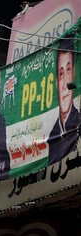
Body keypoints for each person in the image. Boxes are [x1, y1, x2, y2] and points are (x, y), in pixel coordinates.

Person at [49, 37, 80, 166]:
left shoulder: (78, 119)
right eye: (61, 74)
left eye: (68, 70)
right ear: (56, 82)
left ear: (73, 74)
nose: (65, 84)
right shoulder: (52, 134)